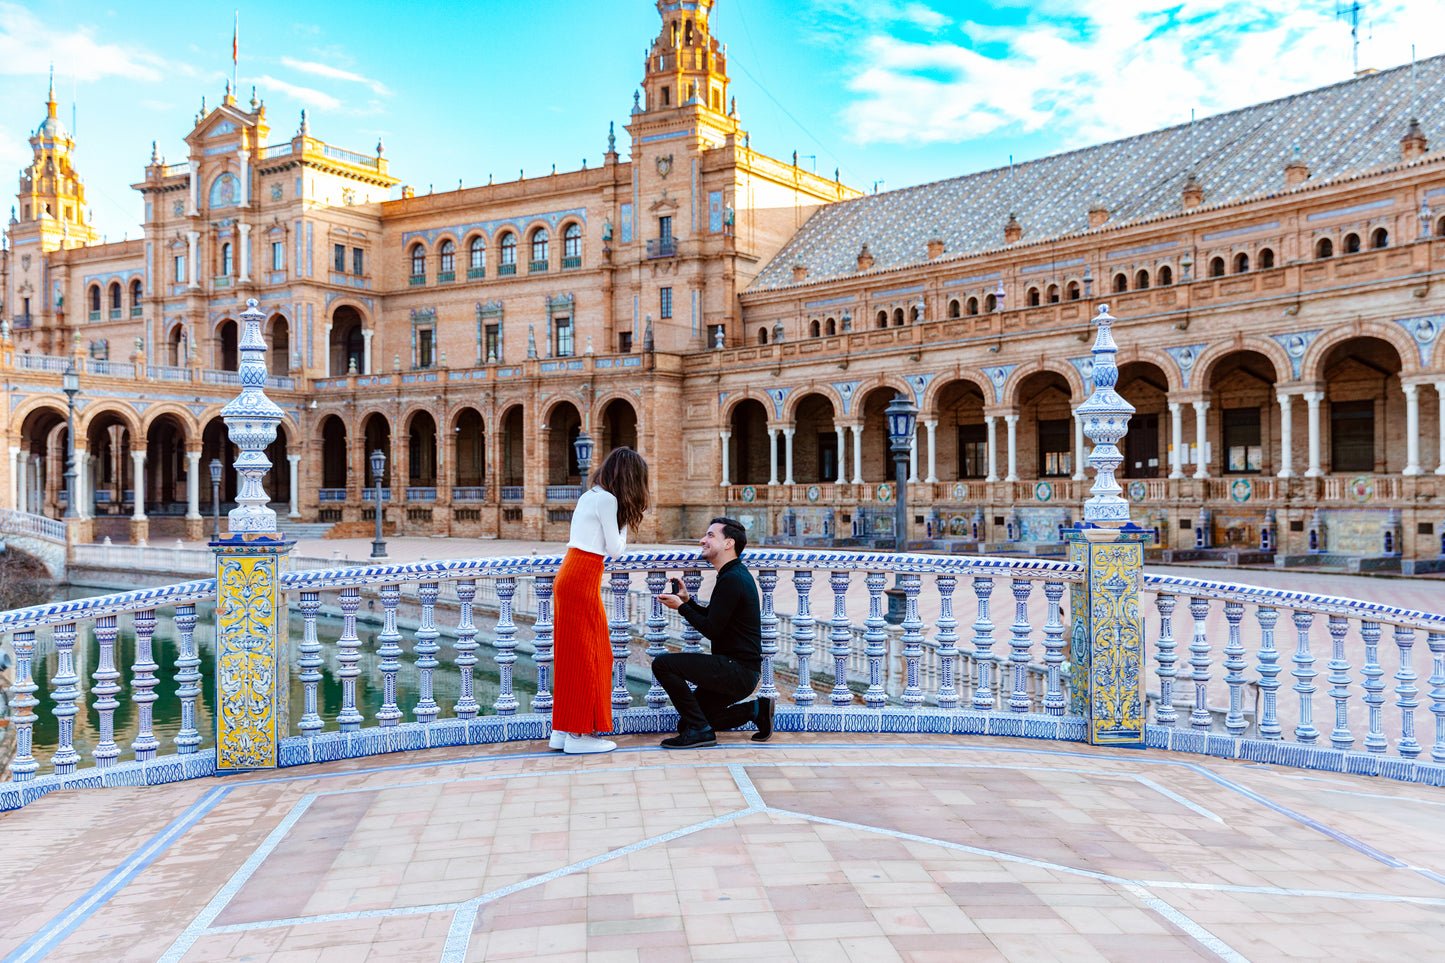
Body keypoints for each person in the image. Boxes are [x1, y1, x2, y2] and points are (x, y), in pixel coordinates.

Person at [550, 446, 649, 754]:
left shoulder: (589, 495)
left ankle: (563, 730)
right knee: (594, 656)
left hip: (569, 574)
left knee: (572, 656)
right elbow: (615, 549)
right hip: (582, 577)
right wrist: (625, 519)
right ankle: (580, 736)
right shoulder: (608, 500)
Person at [656, 517, 772, 749]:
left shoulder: (733, 579)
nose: (702, 540)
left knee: (662, 664)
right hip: (739, 671)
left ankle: (701, 733)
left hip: (736, 670)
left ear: (729, 543)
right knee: (687, 724)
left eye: (710, 535)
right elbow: (715, 619)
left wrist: (681, 608)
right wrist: (687, 601)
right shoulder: (733, 574)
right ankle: (756, 710)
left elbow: (711, 629)